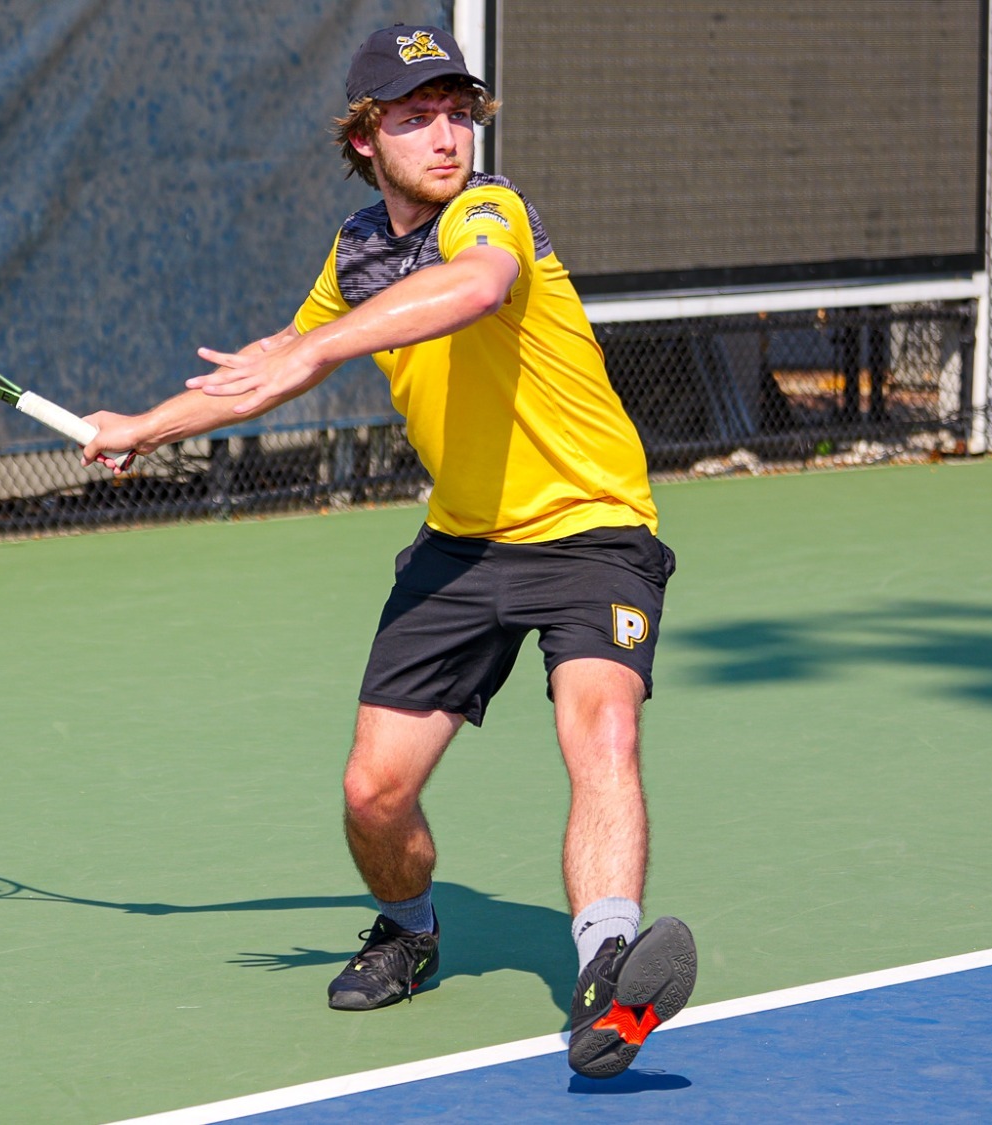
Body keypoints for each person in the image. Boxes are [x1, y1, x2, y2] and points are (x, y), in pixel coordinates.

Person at [80, 23, 697, 1080]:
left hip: (592, 528)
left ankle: (607, 978)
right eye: (415, 119)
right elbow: (274, 369)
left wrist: (316, 341)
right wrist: (140, 427)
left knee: (600, 731)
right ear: (366, 138)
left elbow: (473, 288)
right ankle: (409, 931)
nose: (446, 136)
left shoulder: (489, 212)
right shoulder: (356, 250)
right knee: (373, 795)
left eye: (457, 113)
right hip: (458, 548)